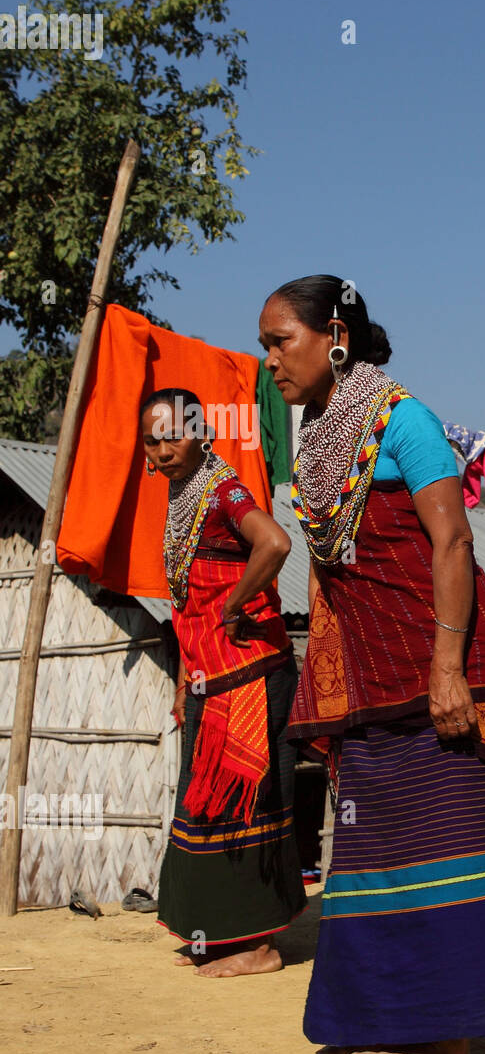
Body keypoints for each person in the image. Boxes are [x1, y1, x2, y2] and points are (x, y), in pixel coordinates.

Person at [264, 274, 485, 1054]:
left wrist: (448, 668)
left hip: (445, 660)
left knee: (453, 846)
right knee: (378, 852)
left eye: (282, 339)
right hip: (378, 678)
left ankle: (448, 1046)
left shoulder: (405, 420)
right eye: (265, 342)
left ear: (334, 336)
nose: (269, 357)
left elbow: (453, 544)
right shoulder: (316, 439)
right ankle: (379, 1019)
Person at [141, 388, 304, 976]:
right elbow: (188, 602)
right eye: (152, 439)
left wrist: (236, 606)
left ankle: (259, 946)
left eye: (174, 433)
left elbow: (276, 542)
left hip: (251, 676)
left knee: (245, 802)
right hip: (213, 677)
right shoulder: (182, 498)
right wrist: (187, 679)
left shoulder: (224, 491)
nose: (163, 448)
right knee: (205, 801)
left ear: (202, 434)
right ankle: (222, 931)